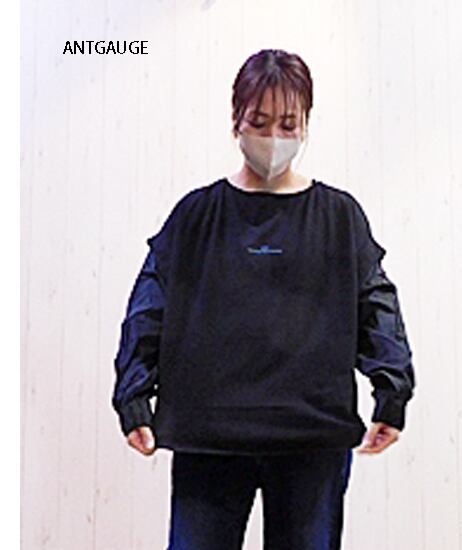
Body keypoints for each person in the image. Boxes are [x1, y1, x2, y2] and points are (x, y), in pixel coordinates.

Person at [111, 48, 415, 550]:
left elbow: (376, 307)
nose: (273, 137)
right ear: (236, 119)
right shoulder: (195, 216)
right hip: (211, 436)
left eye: (288, 124)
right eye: (260, 122)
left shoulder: (339, 218)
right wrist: (133, 398)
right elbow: (149, 309)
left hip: (312, 438)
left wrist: (392, 393)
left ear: (306, 124)